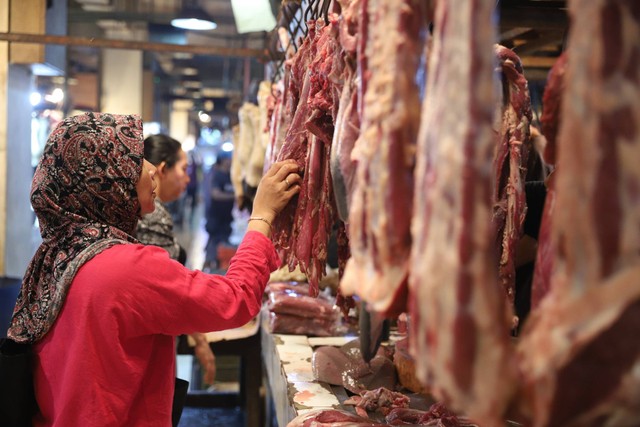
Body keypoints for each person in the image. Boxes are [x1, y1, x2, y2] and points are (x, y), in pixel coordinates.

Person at [6, 112, 301, 426]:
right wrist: (261, 219)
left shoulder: (56, 254)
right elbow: (234, 300)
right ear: (107, 178)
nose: (150, 169)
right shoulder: (124, 267)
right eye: (135, 160)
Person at [136, 134, 216, 387]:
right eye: (183, 169)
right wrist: (200, 340)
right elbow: (166, 287)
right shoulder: (153, 214)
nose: (188, 177)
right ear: (160, 170)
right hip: (148, 347)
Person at [203, 152, 235, 271]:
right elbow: (215, 194)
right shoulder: (216, 175)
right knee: (214, 241)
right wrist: (234, 197)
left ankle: (217, 265)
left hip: (226, 217)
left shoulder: (230, 175)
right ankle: (208, 266)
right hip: (215, 216)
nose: (230, 161)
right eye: (228, 159)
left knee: (223, 241)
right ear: (222, 161)